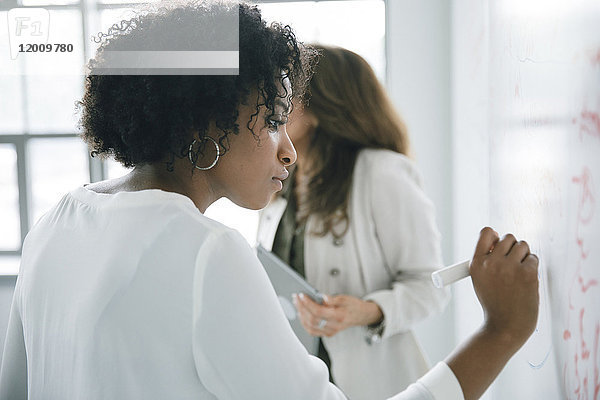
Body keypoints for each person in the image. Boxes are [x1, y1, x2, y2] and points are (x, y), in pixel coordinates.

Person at [0, 2, 539, 400]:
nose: (289, 152)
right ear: (207, 122)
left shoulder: (51, 227)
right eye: (275, 119)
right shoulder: (206, 251)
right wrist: (502, 332)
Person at [256, 45, 447, 398]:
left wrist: (369, 311)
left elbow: (431, 287)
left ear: (320, 106)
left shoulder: (382, 174)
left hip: (373, 381)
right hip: (299, 375)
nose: (271, 104)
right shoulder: (282, 174)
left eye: (286, 94)